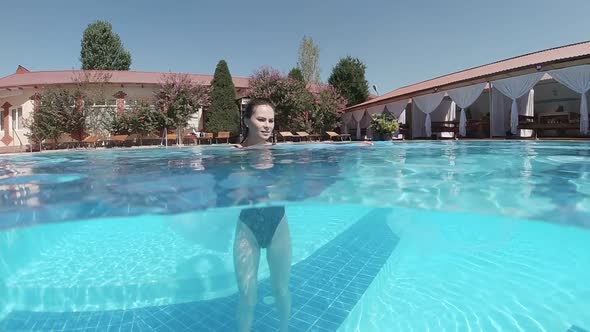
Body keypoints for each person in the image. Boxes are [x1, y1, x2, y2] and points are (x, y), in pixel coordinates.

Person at [233, 98, 291, 332]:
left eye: (271, 120)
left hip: (278, 226)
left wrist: (359, 147)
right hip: (248, 229)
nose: (267, 125)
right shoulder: (234, 155)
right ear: (247, 120)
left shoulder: (280, 154)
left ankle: (284, 329)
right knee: (247, 297)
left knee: (281, 289)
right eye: (261, 119)